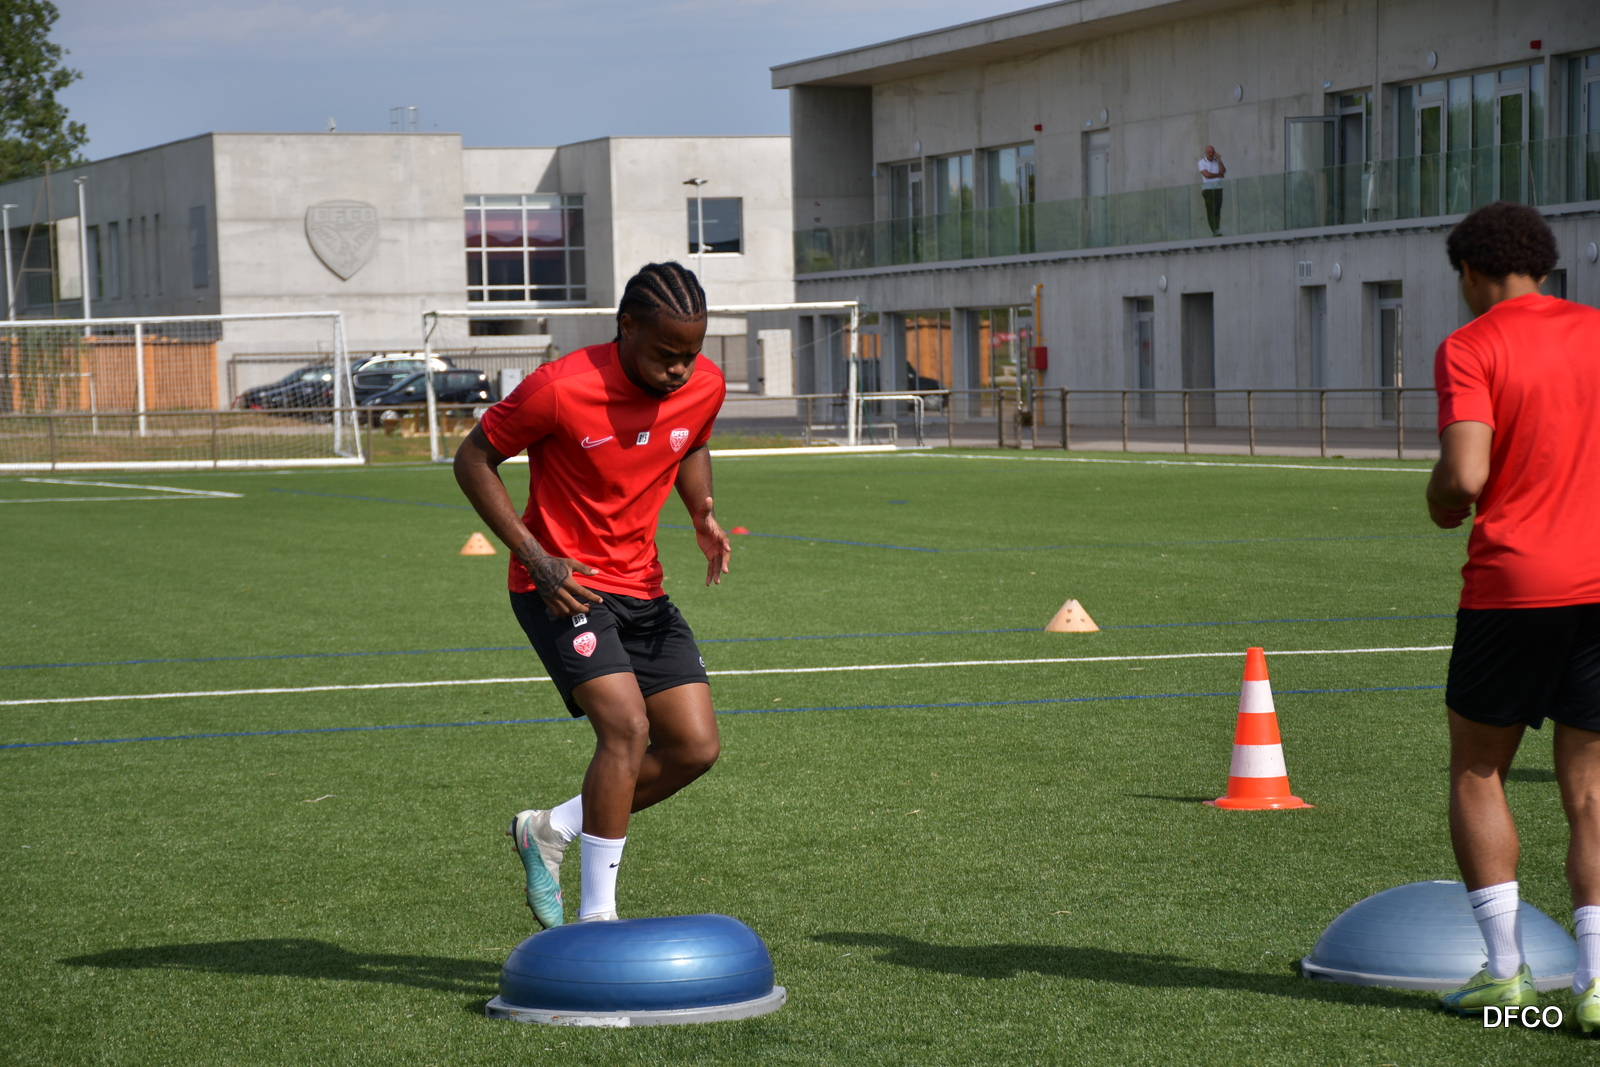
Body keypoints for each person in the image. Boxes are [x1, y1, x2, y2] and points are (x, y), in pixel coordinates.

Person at [453, 261, 732, 927]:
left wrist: (701, 512)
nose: (680, 370)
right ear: (626, 326)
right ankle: (597, 919)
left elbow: (692, 438)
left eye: (691, 354)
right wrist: (535, 557)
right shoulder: (560, 387)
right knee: (627, 729)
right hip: (564, 587)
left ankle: (549, 828)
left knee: (694, 747)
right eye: (666, 354)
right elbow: (473, 459)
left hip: (644, 586)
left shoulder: (705, 383)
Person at [1426, 202, 1600, 1027]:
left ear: (1470, 271)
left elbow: (1464, 474)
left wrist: (1439, 499)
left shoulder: (1471, 344)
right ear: (1545, 265)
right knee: (1592, 785)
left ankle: (1506, 974)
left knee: (1478, 766)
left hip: (1516, 585)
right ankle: (1597, 984)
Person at [1198, 146, 1226, 237]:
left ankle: (1217, 228)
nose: (1211, 154)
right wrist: (1219, 175)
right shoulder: (1202, 162)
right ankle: (1213, 230)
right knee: (1210, 209)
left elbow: (1223, 171)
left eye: (1212, 152)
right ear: (1206, 153)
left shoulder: (1216, 161)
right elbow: (1207, 175)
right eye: (1209, 152)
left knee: (1217, 209)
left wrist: (1219, 160)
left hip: (1218, 188)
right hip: (1208, 189)